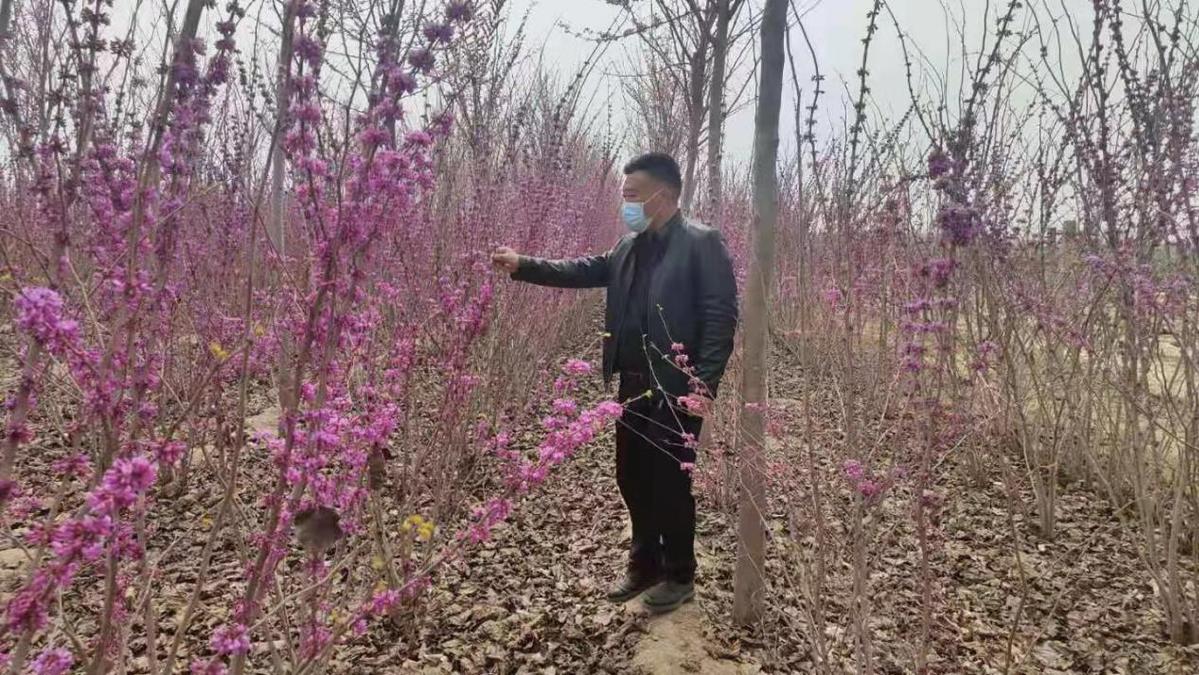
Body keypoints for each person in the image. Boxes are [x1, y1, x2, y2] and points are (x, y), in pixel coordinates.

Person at [491, 152, 738, 614]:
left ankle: (680, 573)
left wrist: (702, 386)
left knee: (670, 483)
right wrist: (523, 264)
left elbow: (720, 317)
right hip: (633, 386)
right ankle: (644, 563)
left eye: (632, 195)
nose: (626, 204)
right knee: (631, 476)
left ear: (663, 195)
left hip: (676, 388)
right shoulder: (628, 247)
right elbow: (582, 270)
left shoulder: (701, 243)